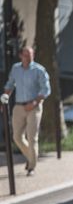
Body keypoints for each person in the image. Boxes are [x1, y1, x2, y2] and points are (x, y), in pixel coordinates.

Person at [1, 46, 51, 176]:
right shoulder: (15, 69)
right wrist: (3, 100)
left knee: (32, 137)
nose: (28, 57)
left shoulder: (39, 70)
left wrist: (34, 102)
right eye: (26, 54)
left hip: (34, 107)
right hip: (18, 106)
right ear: (21, 56)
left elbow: (46, 90)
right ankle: (31, 157)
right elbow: (9, 85)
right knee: (17, 137)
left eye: (30, 54)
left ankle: (31, 167)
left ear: (33, 55)